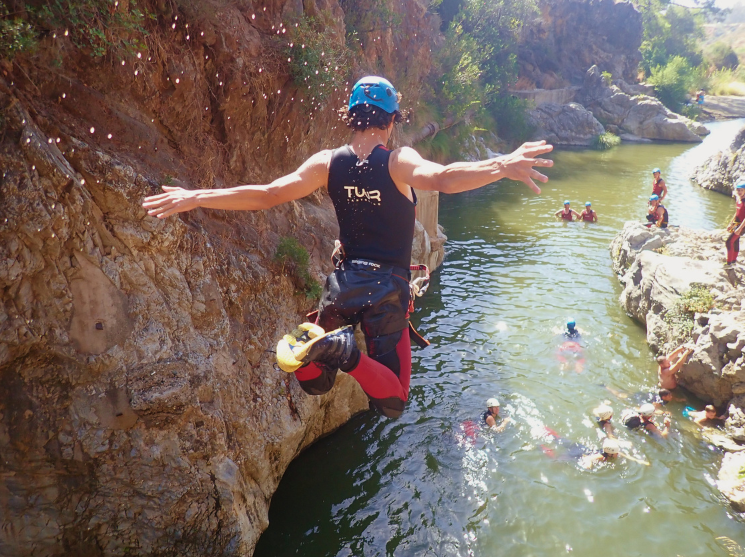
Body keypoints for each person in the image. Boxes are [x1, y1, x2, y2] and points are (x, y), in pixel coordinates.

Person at [142, 75, 553, 419]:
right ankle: (349, 355)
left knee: (316, 381)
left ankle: (320, 344)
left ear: (352, 118)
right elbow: (443, 177)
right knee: (393, 399)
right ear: (391, 122)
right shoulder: (397, 161)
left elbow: (268, 194)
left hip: (341, 284)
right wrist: (500, 165)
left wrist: (196, 196)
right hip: (386, 291)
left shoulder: (327, 162)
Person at [725, 182, 745, 266]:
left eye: (741, 190)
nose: (740, 192)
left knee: (729, 242)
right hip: (736, 224)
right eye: (738, 190)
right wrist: (730, 223)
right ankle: (733, 262)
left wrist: (740, 228)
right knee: (735, 242)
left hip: (742, 225)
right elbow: (737, 213)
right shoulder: (738, 199)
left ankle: (728, 264)